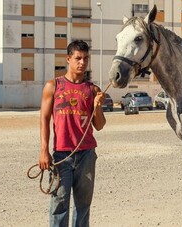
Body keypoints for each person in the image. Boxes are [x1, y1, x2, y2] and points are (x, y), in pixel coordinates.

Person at [39, 40, 106, 227]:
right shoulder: (53, 86)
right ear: (68, 59)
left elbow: (99, 125)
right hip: (62, 155)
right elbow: (44, 119)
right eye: (78, 58)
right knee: (59, 203)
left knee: (83, 204)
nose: (82, 62)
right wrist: (44, 150)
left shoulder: (93, 90)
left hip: (86, 154)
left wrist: (97, 106)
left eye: (85, 58)